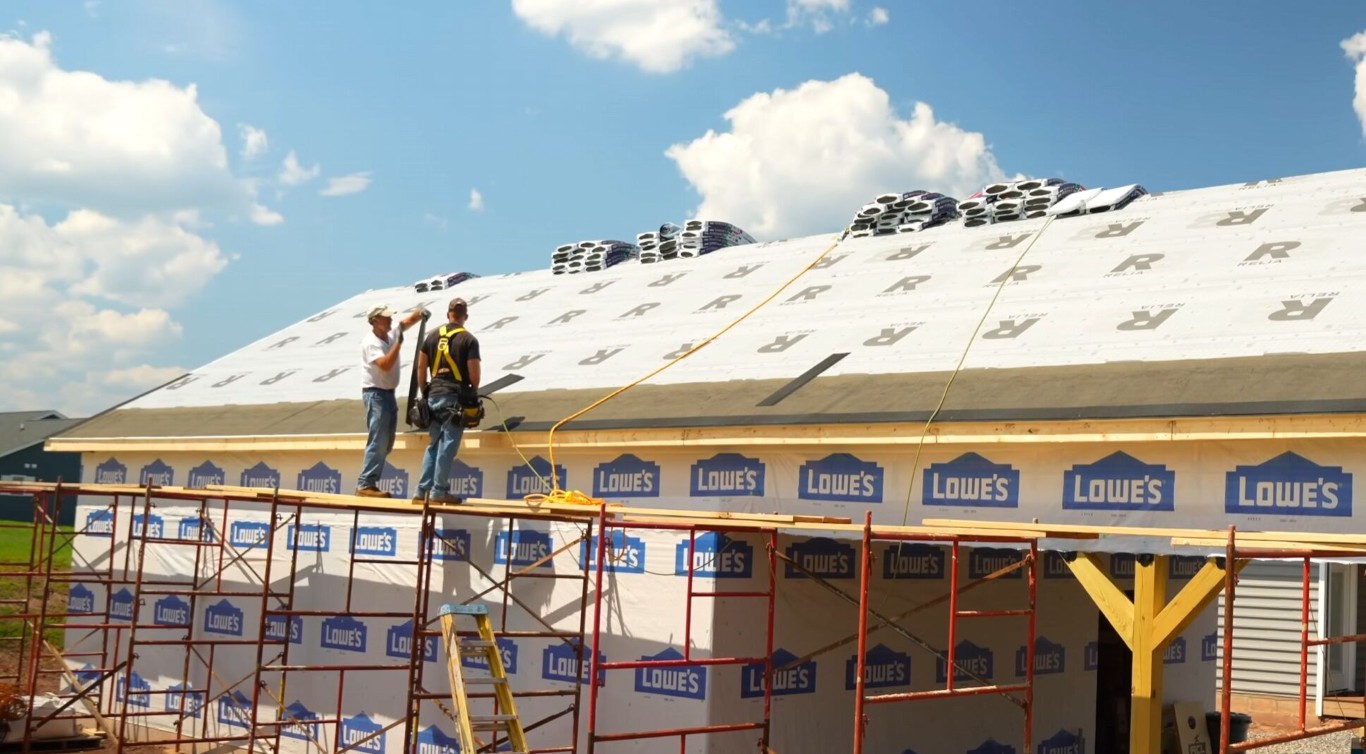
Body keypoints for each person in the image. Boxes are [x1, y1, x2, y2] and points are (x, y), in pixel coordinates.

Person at [415, 297, 481, 504]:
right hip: (454, 398)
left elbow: (420, 367)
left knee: (434, 444)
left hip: (433, 396)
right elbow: (474, 375)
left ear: (448, 314)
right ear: (465, 317)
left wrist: (425, 390)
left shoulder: (432, 337)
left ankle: (422, 491)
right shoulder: (468, 340)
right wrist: (473, 393)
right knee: (447, 446)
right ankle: (438, 491)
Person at [356, 303, 426, 497]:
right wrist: (398, 345)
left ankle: (369, 481)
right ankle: (365, 483)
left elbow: (406, 322)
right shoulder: (371, 342)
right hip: (375, 394)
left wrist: (419, 314)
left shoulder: (389, 333)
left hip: (387, 394)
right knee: (378, 439)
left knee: (386, 442)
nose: (390, 320)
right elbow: (385, 365)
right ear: (375, 320)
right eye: (386, 318)